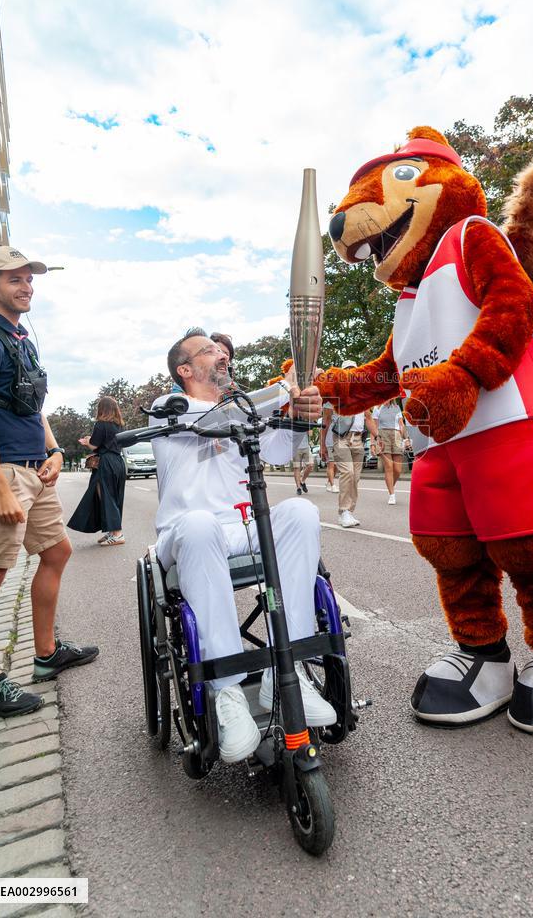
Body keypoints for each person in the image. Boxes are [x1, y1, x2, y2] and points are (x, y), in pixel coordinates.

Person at [152, 327, 336, 763]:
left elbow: (277, 450)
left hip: (244, 524)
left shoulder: (242, 408)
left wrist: (301, 415)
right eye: (208, 350)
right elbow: (208, 424)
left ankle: (283, 672)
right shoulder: (169, 407)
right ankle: (227, 693)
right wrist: (281, 390)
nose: (221, 354)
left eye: (221, 350)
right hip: (188, 530)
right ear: (185, 369)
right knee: (198, 524)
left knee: (299, 512)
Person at [0, 247, 98, 718]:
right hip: (5, 471)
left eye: (29, 278)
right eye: (14, 279)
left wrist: (53, 450)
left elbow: (32, 406)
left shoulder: (22, 340)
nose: (26, 286)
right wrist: (1, 488)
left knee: (57, 551)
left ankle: (46, 654)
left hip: (36, 468)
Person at [321, 360, 379, 528]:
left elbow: (368, 418)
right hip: (340, 439)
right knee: (347, 472)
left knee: (355, 477)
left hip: (358, 440)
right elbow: (325, 420)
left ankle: (349, 511)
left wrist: (378, 436)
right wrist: (323, 445)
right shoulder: (333, 395)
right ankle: (343, 512)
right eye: (347, 371)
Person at [67, 396, 127, 546]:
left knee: (105, 496)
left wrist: (87, 441)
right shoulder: (119, 425)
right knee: (114, 496)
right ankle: (112, 531)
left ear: (102, 409)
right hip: (118, 462)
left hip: (106, 462)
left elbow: (94, 445)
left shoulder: (101, 424)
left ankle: (117, 533)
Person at [371, 398, 409, 504]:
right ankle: (392, 494)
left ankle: (390, 485)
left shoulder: (396, 408)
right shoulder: (377, 408)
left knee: (397, 469)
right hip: (383, 436)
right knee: (389, 466)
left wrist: (406, 438)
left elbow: (401, 424)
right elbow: (374, 426)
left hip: (396, 436)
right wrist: (373, 444)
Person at [292, 431, 314, 495]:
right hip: (295, 448)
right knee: (297, 467)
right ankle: (298, 488)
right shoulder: (292, 423)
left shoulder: (306, 422)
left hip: (306, 447)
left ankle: (302, 481)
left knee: (310, 465)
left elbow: (310, 434)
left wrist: (307, 428)